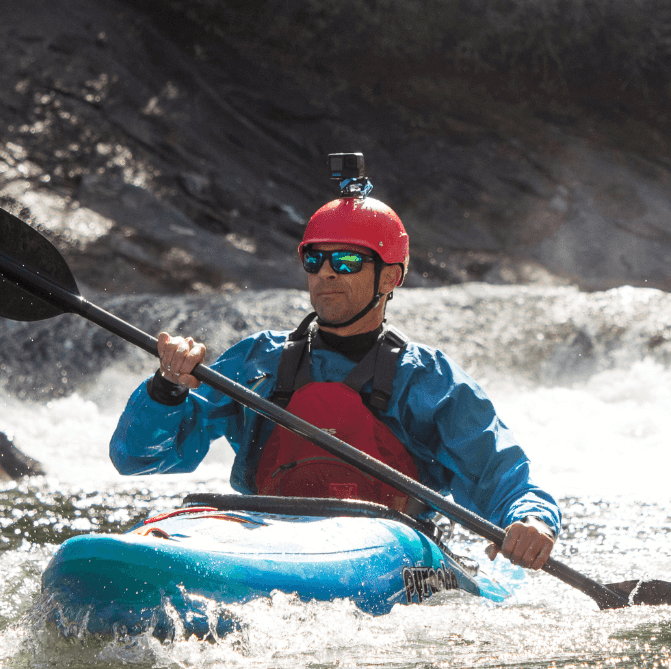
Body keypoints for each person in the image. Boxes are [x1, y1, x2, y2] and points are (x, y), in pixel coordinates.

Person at [109, 192, 559, 570]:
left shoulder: (429, 381)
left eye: (346, 261)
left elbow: (504, 479)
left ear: (391, 277)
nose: (325, 272)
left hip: (387, 550)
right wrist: (166, 388)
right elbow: (138, 459)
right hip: (266, 536)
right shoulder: (257, 360)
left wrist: (533, 522)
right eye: (314, 258)